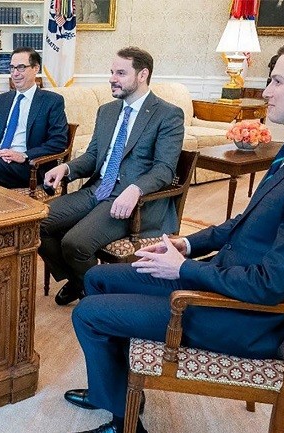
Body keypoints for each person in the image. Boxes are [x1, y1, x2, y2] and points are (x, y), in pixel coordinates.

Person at [61, 39, 284, 433]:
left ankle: (126, 429)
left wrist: (183, 270)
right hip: (222, 278)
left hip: (242, 316)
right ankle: (115, 390)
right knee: (98, 279)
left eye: (276, 81)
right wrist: (185, 244)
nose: (266, 92)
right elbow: (244, 224)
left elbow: (270, 284)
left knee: (89, 314)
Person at [39, 47, 184, 306]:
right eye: (111, 72)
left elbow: (164, 169)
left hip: (134, 204)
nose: (112, 79)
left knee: (75, 243)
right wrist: (67, 169)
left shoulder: (167, 114)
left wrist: (136, 189)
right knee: (37, 223)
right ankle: (80, 282)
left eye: (120, 73)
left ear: (142, 75)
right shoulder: (107, 111)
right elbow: (94, 156)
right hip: (98, 190)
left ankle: (100, 300)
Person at [0, 47, 68, 188]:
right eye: (12, 68)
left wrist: (24, 155)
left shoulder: (51, 101)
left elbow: (58, 141)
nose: (15, 73)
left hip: (29, 167)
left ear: (36, 68)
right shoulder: (1, 100)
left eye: (21, 67)